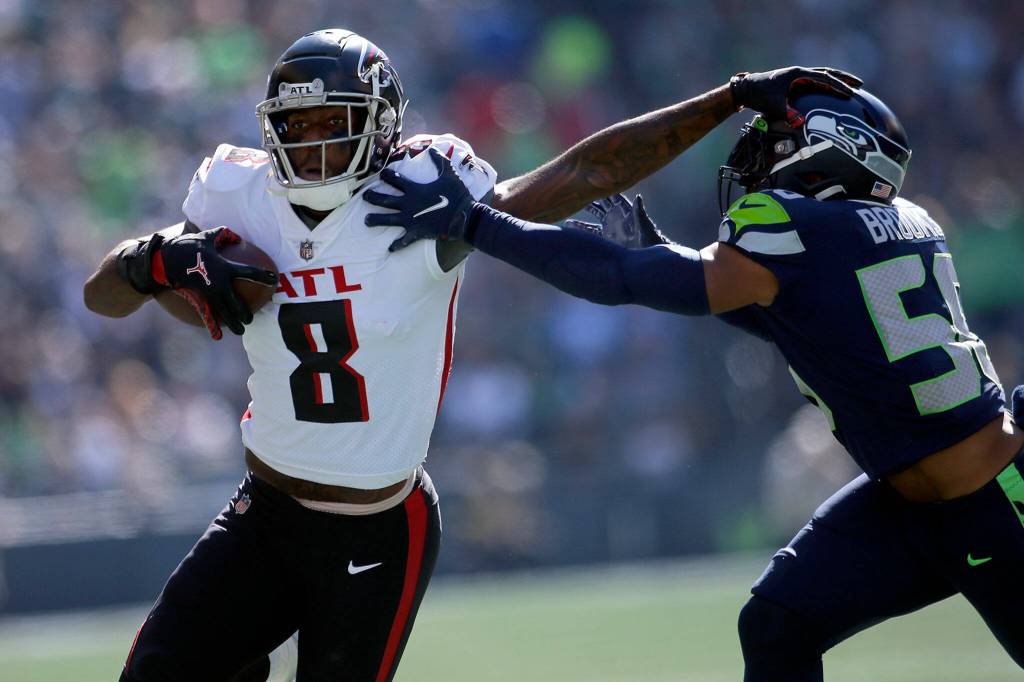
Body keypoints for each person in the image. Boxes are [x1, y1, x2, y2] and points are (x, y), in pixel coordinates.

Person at [83, 25, 849, 681]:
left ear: (382, 125)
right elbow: (107, 296)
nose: (313, 146)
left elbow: (584, 172)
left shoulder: (421, 196)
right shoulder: (238, 194)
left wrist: (725, 99)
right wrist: (153, 260)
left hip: (378, 527)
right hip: (265, 511)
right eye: (298, 126)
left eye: (333, 123)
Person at [363, 81, 1024, 678]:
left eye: (775, 144)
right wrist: (665, 252)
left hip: (992, 503)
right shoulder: (909, 224)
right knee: (777, 622)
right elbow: (794, 322)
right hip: (918, 497)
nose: (755, 158)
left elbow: (620, 279)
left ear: (828, 153)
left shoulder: (792, 227)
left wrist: (475, 223)